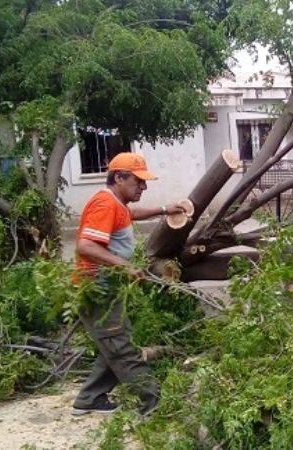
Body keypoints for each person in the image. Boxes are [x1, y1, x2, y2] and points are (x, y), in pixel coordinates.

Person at [71, 152, 186, 416]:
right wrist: (126, 266)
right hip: (97, 287)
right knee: (120, 346)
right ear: (119, 178)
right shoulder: (105, 204)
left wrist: (163, 209)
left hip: (107, 287)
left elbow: (130, 214)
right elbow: (85, 245)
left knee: (113, 342)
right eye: (138, 181)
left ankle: (90, 397)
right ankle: (154, 405)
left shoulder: (117, 204)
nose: (143, 187)